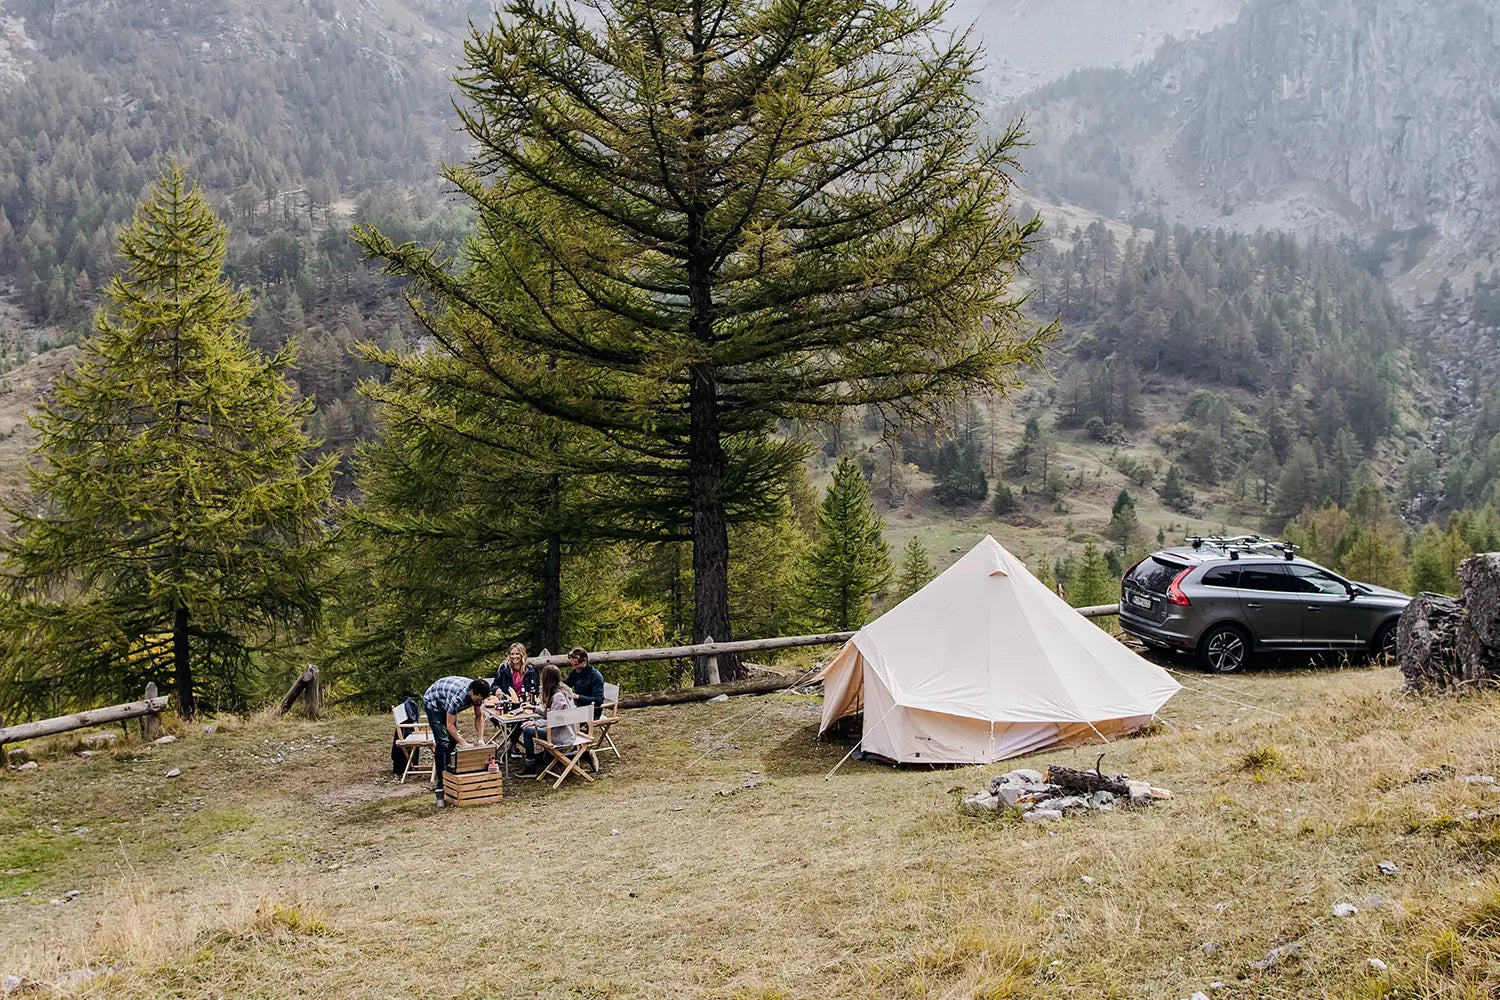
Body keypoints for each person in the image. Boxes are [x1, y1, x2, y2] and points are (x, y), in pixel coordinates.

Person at [422, 675, 491, 808]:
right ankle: (441, 783)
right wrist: (463, 743)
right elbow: (450, 725)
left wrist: (481, 739)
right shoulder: (458, 698)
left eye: (481, 700)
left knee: (452, 741)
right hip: (433, 702)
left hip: (446, 699)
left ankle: (450, 771)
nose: (478, 702)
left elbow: (479, 716)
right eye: (477, 699)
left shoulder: (478, 695)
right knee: (443, 742)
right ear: (471, 693)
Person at [520, 664, 580, 774]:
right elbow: (552, 715)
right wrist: (534, 708)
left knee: (527, 731)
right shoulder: (561, 690)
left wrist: (535, 723)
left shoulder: (558, 697)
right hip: (566, 731)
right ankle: (576, 756)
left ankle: (530, 765)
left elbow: (556, 721)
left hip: (563, 735)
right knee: (544, 758)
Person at [564, 647, 605, 719]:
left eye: (576, 664)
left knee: (563, 719)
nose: (574, 667)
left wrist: (578, 697)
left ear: (585, 660)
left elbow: (598, 700)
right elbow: (566, 684)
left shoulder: (595, 676)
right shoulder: (575, 673)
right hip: (578, 707)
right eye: (572, 665)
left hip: (592, 711)